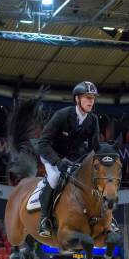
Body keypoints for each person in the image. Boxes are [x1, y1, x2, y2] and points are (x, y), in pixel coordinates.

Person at [35, 81, 101, 237]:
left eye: (93, 98)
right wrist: (57, 162)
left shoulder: (93, 120)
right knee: (54, 177)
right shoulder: (62, 115)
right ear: (77, 99)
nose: (91, 101)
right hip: (51, 154)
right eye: (87, 97)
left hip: (74, 159)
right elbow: (42, 143)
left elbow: (94, 148)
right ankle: (44, 220)